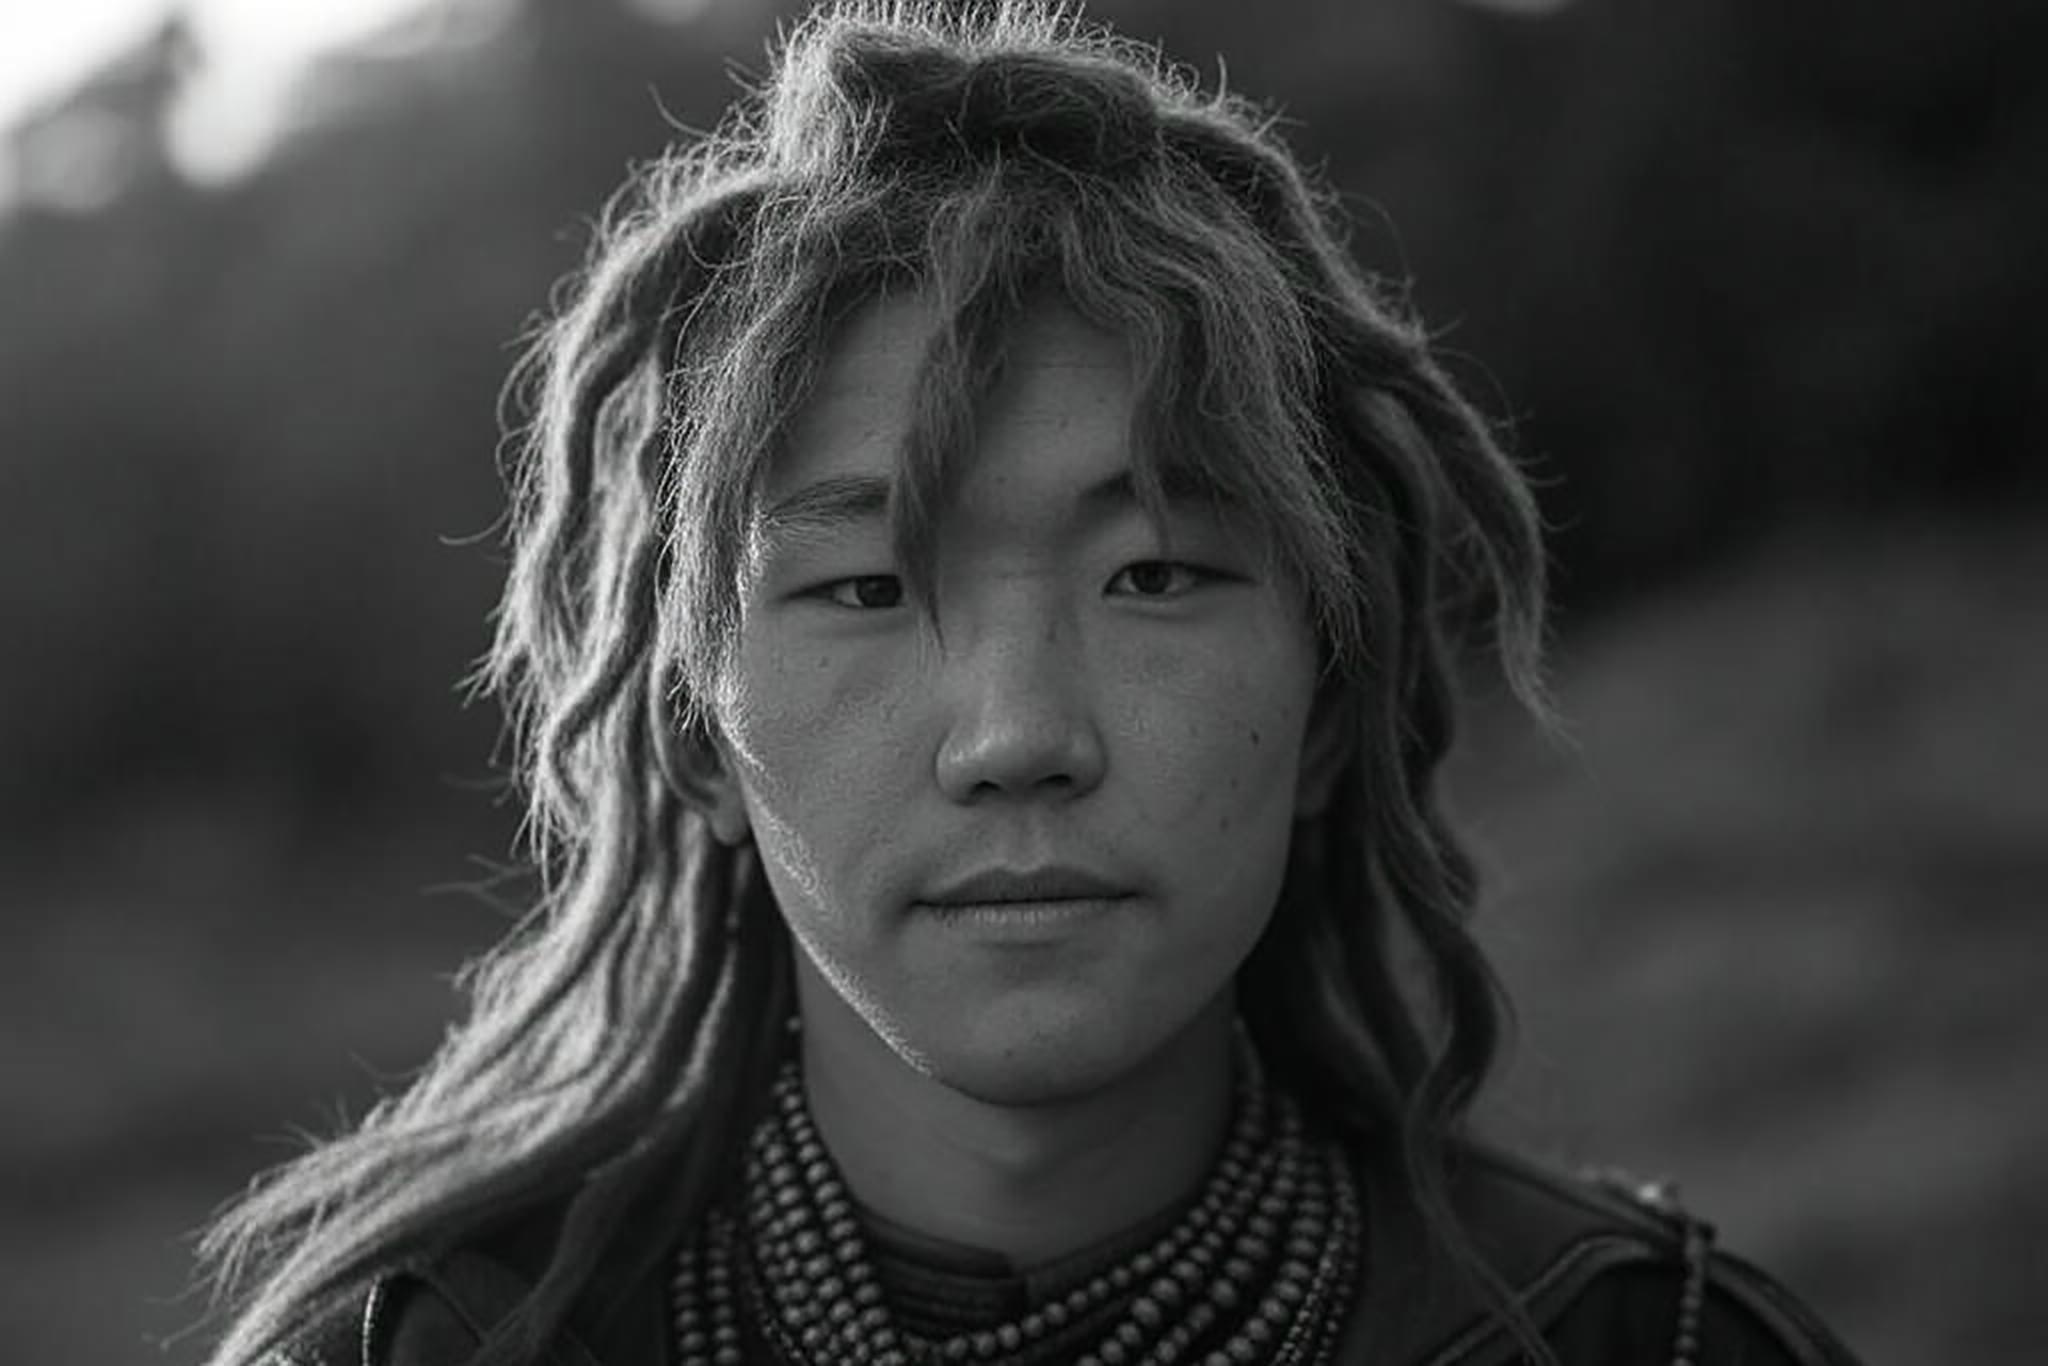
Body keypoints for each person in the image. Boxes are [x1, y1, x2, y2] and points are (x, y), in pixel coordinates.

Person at [196, 3, 1863, 1363]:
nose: (1018, 736)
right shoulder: (430, 1351)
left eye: (1154, 574)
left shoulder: (1636, 1342)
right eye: (861, 586)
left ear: (1326, 708)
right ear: (698, 731)